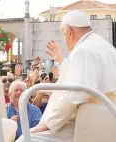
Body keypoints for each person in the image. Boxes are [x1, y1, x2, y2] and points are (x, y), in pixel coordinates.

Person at [16, 10, 116, 142]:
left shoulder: (82, 50)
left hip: (86, 121)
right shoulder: (109, 48)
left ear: (70, 32)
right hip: (108, 119)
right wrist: (62, 62)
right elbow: (82, 80)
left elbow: (73, 95)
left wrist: (48, 123)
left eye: (63, 34)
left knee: (26, 139)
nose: (65, 39)